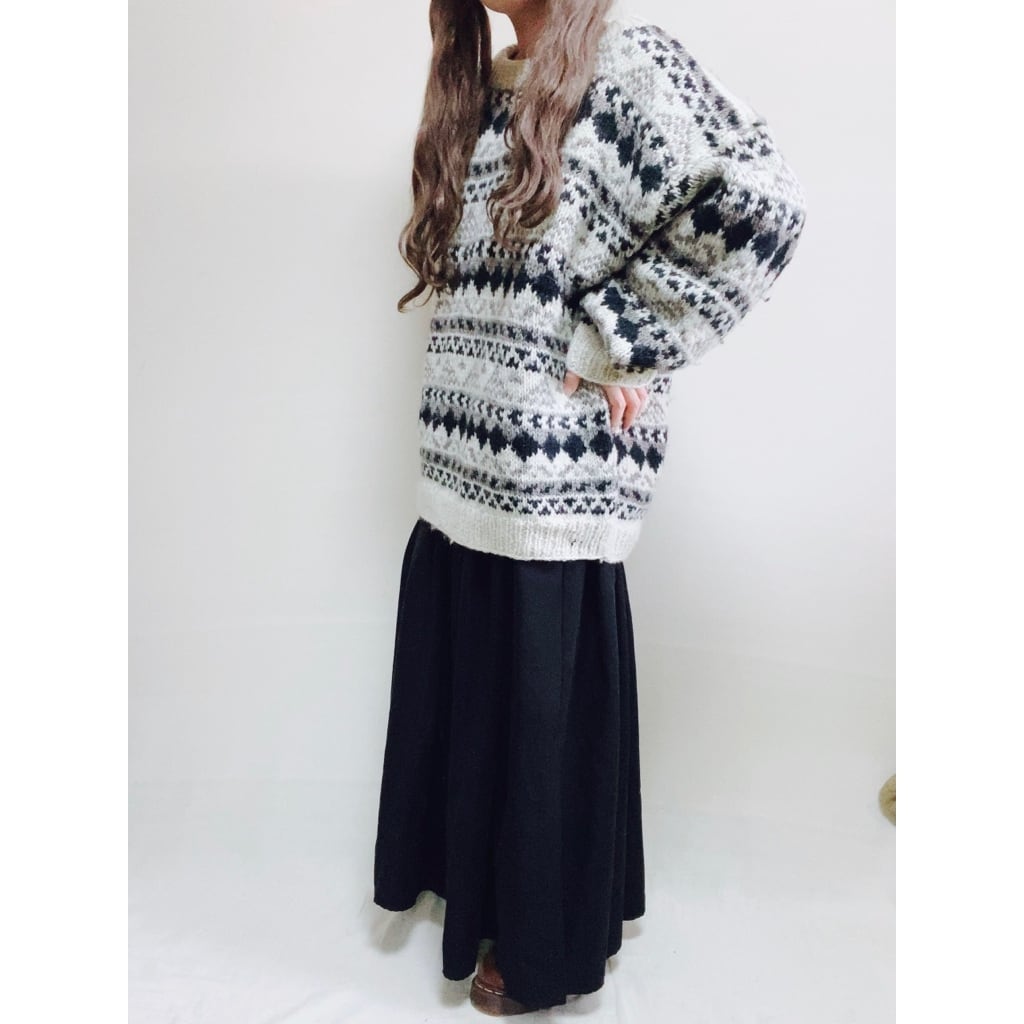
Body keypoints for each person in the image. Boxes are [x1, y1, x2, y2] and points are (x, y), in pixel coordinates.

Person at [373, 0, 807, 1014]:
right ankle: (485, 900)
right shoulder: (489, 83)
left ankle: (546, 944)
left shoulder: (631, 64)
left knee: (542, 708)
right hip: (463, 456)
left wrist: (622, 335)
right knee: (482, 695)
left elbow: (764, 200)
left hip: (554, 463)